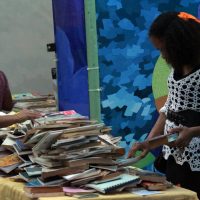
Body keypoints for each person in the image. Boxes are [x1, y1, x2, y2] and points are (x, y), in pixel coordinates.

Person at [128, 11, 200, 198]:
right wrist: (149, 143)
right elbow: (167, 111)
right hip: (175, 155)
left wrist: (193, 131)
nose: (162, 56)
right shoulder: (178, 69)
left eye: (163, 49)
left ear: (179, 44)